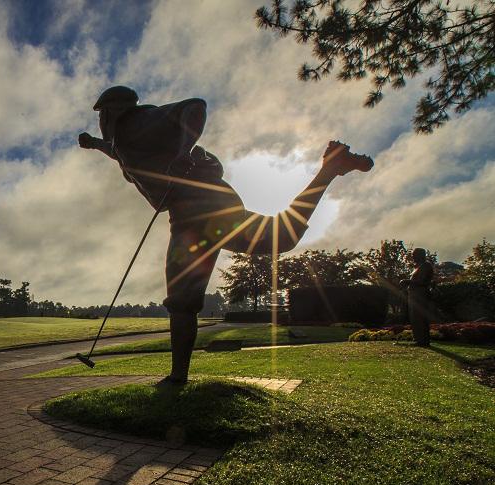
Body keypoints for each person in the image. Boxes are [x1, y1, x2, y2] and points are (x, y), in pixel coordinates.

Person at [79, 85, 374, 384]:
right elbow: (116, 151)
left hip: (198, 212)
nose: (100, 122)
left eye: (101, 115)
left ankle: (178, 377)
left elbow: (194, 107)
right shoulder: (123, 142)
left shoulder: (140, 122)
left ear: (113, 111)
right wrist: (93, 144)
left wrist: (182, 153)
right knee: (281, 238)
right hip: (203, 209)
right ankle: (329, 169)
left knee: (181, 300)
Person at [402, 248, 434, 347]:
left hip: (421, 295)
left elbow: (424, 282)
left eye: (414, 255)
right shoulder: (417, 267)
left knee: (420, 317)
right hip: (413, 295)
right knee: (414, 318)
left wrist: (408, 281)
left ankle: (423, 340)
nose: (412, 257)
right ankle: (417, 339)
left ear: (420, 255)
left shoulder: (426, 266)